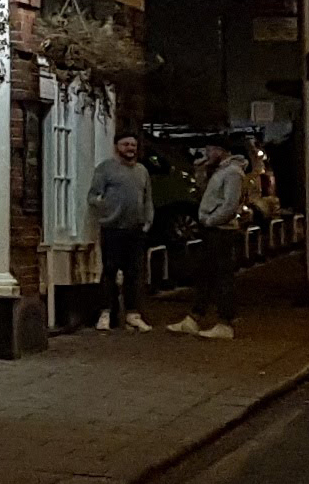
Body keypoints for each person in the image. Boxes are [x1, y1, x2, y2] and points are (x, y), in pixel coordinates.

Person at [171, 140, 246, 338]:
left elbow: (230, 204)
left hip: (221, 230)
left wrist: (211, 220)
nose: (207, 153)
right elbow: (206, 194)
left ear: (221, 150)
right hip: (214, 228)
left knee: (221, 275)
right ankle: (196, 316)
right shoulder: (219, 171)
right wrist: (200, 173)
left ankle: (224, 321)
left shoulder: (232, 173)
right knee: (207, 273)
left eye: (210, 149)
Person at [88, 133, 154, 331]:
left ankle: (132, 314)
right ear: (117, 146)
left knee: (134, 273)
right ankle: (106, 313)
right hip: (113, 228)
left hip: (135, 229)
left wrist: (147, 221)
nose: (130, 148)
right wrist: (108, 209)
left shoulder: (142, 171)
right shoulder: (105, 168)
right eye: (126, 144)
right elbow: (93, 196)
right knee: (110, 271)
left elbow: (147, 198)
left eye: (133, 144)